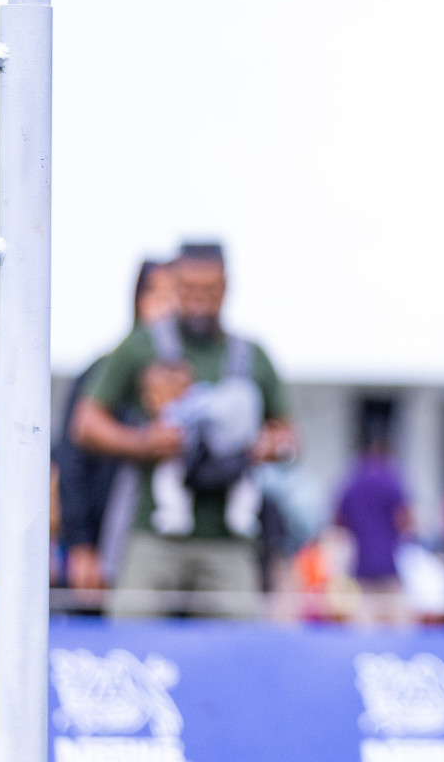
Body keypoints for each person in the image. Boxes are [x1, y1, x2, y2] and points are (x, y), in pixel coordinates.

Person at [72, 242, 299, 618]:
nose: (199, 302)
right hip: (154, 534)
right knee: (132, 646)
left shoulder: (252, 356)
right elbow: (85, 424)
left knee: (237, 655)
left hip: (229, 539)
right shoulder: (142, 344)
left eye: (209, 292)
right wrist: (146, 442)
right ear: (175, 285)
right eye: (190, 290)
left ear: (226, 288)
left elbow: (291, 437)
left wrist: (267, 446)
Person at [56, 259, 178, 597]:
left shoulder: (194, 373)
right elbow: (72, 461)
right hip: (108, 538)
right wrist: (82, 542)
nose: (168, 306)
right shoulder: (104, 373)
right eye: (159, 293)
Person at [334, 423, 412, 625]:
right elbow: (405, 521)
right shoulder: (392, 481)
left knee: (364, 640)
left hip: (360, 570)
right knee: (397, 642)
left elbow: (338, 522)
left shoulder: (351, 482)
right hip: (388, 569)